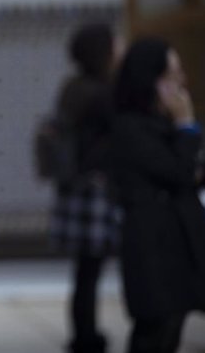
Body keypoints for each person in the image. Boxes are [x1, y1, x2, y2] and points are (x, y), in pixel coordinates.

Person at [111, 37, 205, 353]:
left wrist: (186, 131)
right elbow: (180, 173)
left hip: (181, 241)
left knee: (174, 324)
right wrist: (185, 126)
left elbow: (200, 172)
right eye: (171, 75)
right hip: (153, 245)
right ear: (149, 79)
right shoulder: (130, 127)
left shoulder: (164, 124)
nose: (180, 83)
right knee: (155, 327)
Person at [48, 23, 123, 353]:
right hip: (94, 188)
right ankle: (86, 338)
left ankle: (84, 334)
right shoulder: (102, 91)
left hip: (76, 187)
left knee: (85, 271)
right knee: (90, 271)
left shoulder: (72, 86)